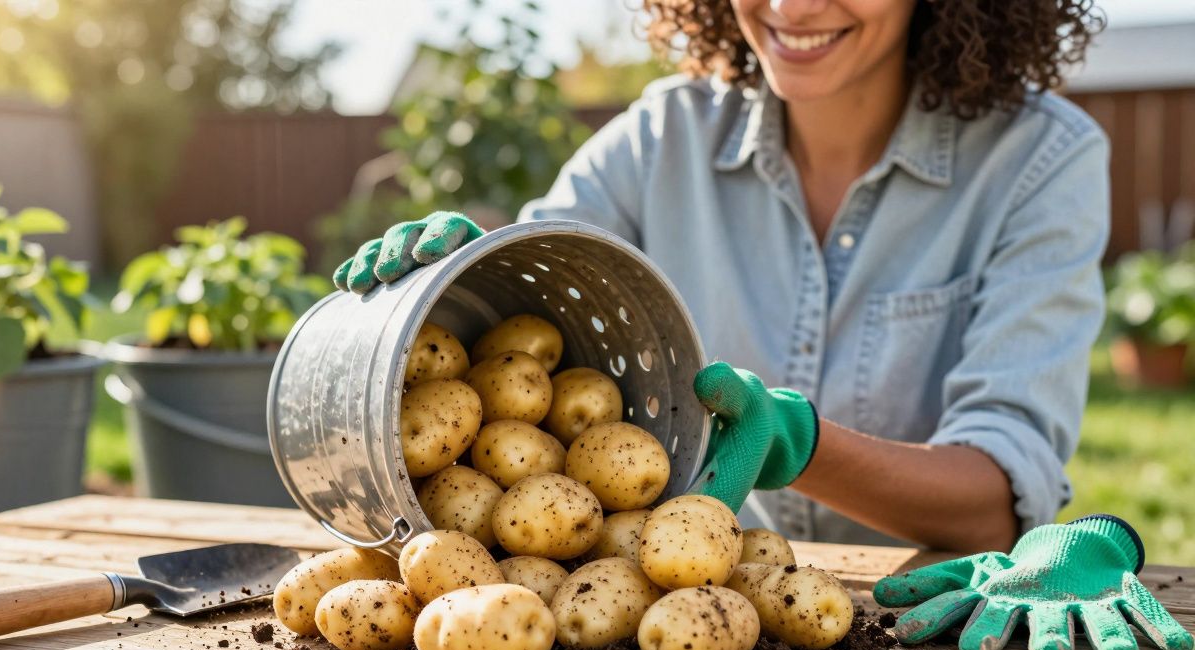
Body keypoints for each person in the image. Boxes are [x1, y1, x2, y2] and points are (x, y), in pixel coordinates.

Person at [333, 0, 1113, 556]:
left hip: (921, 637)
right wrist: (460, 280)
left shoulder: (1040, 161)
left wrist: (801, 445)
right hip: (688, 614)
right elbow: (521, 313)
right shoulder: (658, 138)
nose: (792, 7)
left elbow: (995, 506)